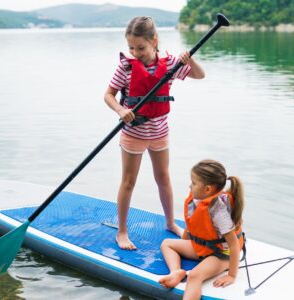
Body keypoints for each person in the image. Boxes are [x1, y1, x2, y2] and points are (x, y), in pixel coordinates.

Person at [104, 16, 205, 250]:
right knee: (128, 182)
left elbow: (199, 75)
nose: (135, 52)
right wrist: (121, 109)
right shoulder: (126, 67)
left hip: (160, 132)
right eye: (131, 47)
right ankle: (122, 232)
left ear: (154, 41)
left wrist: (190, 60)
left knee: (163, 178)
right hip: (133, 134)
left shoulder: (171, 65)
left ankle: (170, 223)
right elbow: (108, 94)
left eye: (140, 47)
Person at [158, 159, 245, 299]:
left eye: (193, 182)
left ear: (208, 189)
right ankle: (176, 272)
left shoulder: (218, 211)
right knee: (167, 243)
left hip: (222, 255)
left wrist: (231, 275)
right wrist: (185, 244)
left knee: (194, 277)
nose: (190, 186)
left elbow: (234, 245)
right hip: (205, 248)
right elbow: (193, 226)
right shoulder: (199, 202)